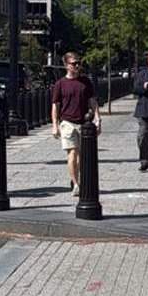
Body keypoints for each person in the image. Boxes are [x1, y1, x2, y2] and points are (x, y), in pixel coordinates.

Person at [51, 52, 101, 197]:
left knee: (82, 156)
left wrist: (98, 118)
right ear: (66, 65)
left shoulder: (85, 82)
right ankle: (76, 184)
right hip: (67, 122)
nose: (77, 66)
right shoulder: (60, 84)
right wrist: (55, 125)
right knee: (72, 153)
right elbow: (55, 105)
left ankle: (76, 179)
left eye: (79, 63)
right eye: (74, 63)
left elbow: (92, 101)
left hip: (84, 122)